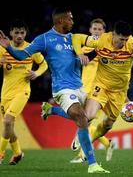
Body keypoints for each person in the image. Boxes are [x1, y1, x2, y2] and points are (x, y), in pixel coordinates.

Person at [0, 8, 109, 173]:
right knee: (82, 117)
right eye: (70, 19)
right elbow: (22, 55)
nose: (73, 22)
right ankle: (92, 164)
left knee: (86, 118)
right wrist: (8, 48)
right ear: (61, 20)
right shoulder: (45, 39)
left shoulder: (74, 38)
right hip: (62, 88)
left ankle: (51, 110)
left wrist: (99, 50)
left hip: (79, 86)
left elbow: (91, 50)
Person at [72, 20, 133, 149]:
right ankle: (80, 135)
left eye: (125, 40)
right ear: (113, 34)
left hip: (119, 92)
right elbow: (76, 38)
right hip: (101, 85)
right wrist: (80, 54)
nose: (123, 43)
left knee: (108, 125)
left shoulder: (132, 43)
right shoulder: (101, 40)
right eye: (121, 39)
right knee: (89, 115)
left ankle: (91, 138)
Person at [41, 18, 115, 163]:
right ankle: (104, 144)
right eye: (95, 29)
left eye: (100, 29)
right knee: (84, 119)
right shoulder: (84, 48)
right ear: (90, 30)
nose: (97, 32)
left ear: (104, 31)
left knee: (87, 119)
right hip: (82, 88)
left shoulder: (107, 47)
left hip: (98, 90)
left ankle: (84, 150)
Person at [0, 19, 48, 165]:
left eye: (22, 32)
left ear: (25, 33)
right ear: (11, 33)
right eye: (16, 32)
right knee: (9, 126)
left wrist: (37, 73)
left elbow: (44, 64)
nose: (20, 35)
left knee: (8, 121)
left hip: (23, 91)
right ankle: (18, 153)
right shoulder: (3, 48)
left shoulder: (31, 48)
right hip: (6, 93)